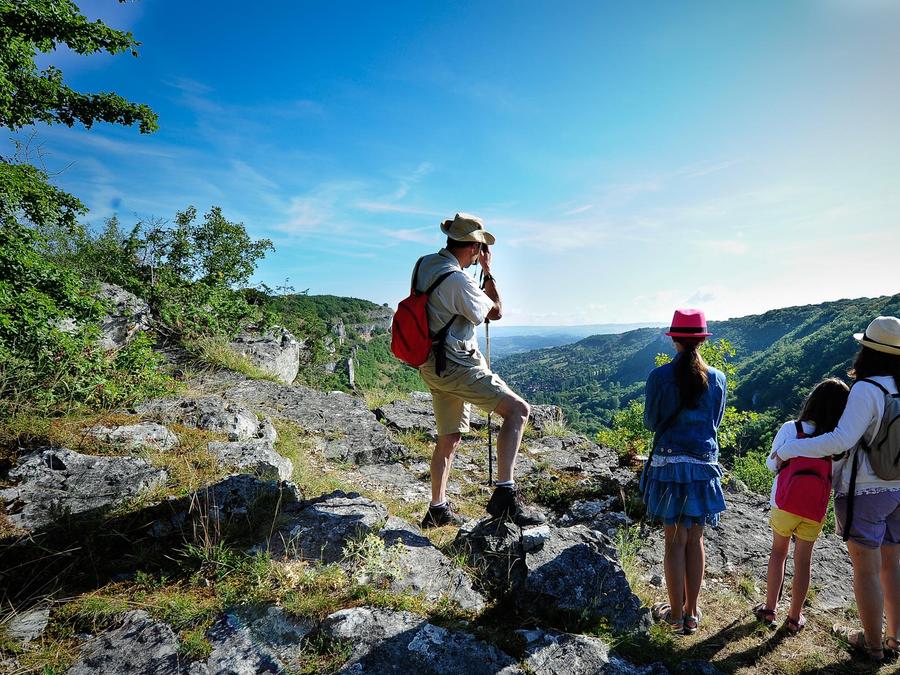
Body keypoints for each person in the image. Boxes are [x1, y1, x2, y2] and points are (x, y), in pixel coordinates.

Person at [775, 316, 900, 662]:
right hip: (899, 490)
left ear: (867, 351)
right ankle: (894, 640)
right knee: (893, 565)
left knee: (867, 569)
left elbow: (841, 440)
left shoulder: (867, 389)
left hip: (866, 492)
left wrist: (791, 449)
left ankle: (872, 646)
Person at [414, 213, 543, 529]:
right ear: (473, 247)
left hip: (430, 363)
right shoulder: (459, 281)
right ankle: (504, 497)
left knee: (449, 437)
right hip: (456, 366)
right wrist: (488, 272)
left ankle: (437, 509)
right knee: (518, 411)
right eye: (480, 247)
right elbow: (495, 311)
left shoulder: (424, 264)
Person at [642, 308, 727, 635]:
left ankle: (675, 616)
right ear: (703, 340)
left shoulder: (659, 377)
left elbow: (651, 422)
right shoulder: (718, 378)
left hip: (669, 466)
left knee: (674, 542)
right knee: (695, 539)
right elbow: (714, 423)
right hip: (703, 468)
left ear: (674, 339)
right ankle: (692, 613)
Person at [753, 378, 850, 635]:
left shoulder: (791, 429)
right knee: (804, 561)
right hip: (814, 509)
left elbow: (771, 465)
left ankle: (770, 609)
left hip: (784, 503)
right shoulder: (838, 443)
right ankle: (795, 618)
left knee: (778, 553)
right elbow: (836, 479)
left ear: (812, 400)